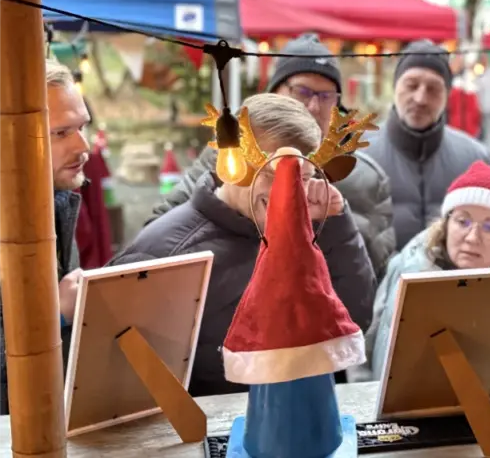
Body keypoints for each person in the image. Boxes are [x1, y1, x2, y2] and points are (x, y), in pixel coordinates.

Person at [109, 94, 376, 396]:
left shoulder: (318, 227)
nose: (287, 192)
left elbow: (356, 318)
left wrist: (336, 225)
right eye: (273, 173)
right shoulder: (165, 254)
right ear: (233, 163)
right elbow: (122, 380)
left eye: (302, 177)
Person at [149, 34, 395, 282]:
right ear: (275, 92)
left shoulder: (365, 177)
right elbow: (163, 230)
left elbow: (377, 271)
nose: (313, 106)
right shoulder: (230, 157)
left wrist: (336, 224)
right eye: (302, 91)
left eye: (326, 96)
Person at [366, 161, 490, 377]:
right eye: (463, 221)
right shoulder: (406, 270)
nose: (472, 238)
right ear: (446, 225)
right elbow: (367, 352)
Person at [0, 62, 91, 415]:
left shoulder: (54, 201)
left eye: (82, 127)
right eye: (61, 132)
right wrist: (55, 316)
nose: (83, 145)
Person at [362, 40, 490, 251]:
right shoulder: (358, 156)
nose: (421, 98)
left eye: (433, 89)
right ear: (395, 87)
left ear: (447, 96)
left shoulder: (476, 160)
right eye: (412, 85)